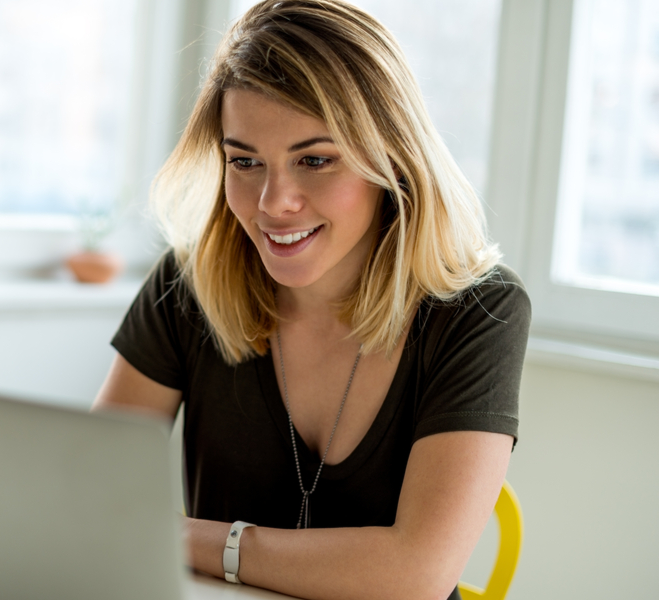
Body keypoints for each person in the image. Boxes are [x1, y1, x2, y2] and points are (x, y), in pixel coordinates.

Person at [93, 1, 531, 599]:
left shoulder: (480, 310)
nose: (273, 202)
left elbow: (416, 574)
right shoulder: (186, 287)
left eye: (315, 160)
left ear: (392, 160)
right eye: (244, 161)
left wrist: (180, 538)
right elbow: (89, 500)